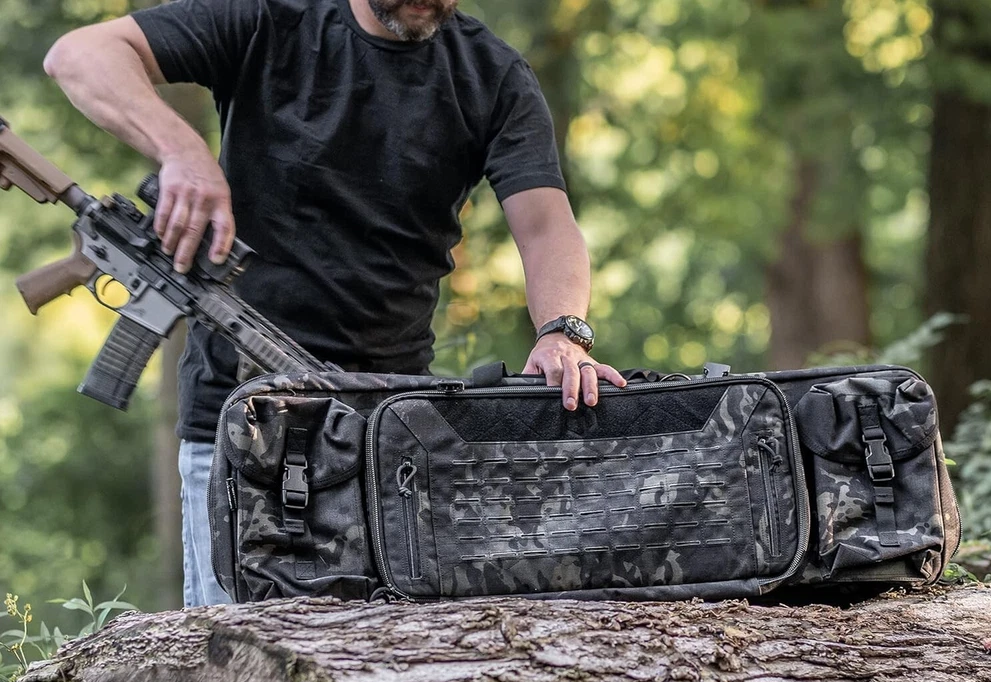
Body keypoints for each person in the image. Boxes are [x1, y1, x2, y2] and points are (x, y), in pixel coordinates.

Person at [43, 0, 627, 607]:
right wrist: (181, 152)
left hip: (385, 432)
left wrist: (562, 331)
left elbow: (546, 226)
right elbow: (80, 55)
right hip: (241, 424)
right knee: (230, 651)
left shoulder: (492, 75)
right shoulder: (269, 18)